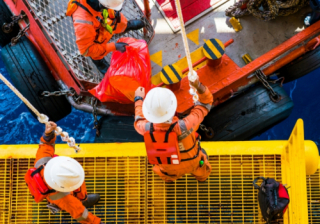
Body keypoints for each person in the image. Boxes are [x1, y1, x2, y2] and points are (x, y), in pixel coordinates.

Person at [133, 77, 213, 183]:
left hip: (168, 169)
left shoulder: (145, 128)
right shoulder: (186, 125)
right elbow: (205, 104)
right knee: (202, 159)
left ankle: (169, 180)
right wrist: (198, 86)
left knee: (166, 172)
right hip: (193, 164)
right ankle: (202, 178)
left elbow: (138, 119)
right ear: (173, 108)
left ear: (149, 113)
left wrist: (138, 100)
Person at [30, 121, 104, 224]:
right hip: (62, 199)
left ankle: (82, 198)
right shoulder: (63, 197)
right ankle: (80, 201)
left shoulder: (42, 162)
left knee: (75, 192)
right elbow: (81, 215)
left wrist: (48, 134)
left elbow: (45, 145)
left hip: (55, 188)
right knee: (75, 206)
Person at [66, 0, 145, 74]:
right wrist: (114, 46)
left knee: (114, 16)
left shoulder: (104, 3)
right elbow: (86, 50)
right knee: (96, 48)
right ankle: (99, 61)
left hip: (104, 13)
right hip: (94, 34)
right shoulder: (84, 25)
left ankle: (125, 26)